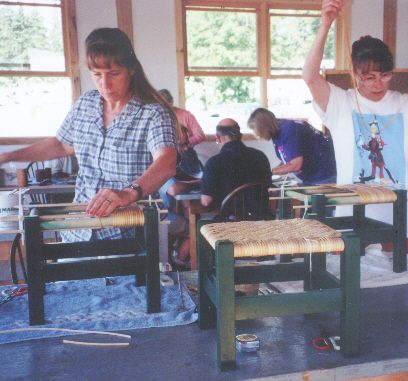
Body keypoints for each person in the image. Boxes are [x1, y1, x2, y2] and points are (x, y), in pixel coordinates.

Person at [302, 0, 408, 248]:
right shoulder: (340, 103)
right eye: (369, 77)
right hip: (351, 222)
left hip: (400, 224)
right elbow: (309, 75)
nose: (378, 84)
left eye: (385, 76)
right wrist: (326, 24)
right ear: (355, 73)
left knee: (402, 281)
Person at [0, 28, 178, 242]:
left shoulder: (153, 112)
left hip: (128, 234)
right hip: (78, 229)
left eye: (113, 74)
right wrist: (8, 156)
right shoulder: (86, 104)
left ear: (131, 70)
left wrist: (129, 193)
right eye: (97, 75)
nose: (105, 84)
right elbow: (62, 144)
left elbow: (166, 161)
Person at [172, 118, 272, 268]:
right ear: (241, 135)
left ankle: (195, 267)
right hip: (260, 221)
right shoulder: (261, 157)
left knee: (199, 224)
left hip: (228, 225)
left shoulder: (215, 162)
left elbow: (206, 202)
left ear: (218, 138)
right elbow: (266, 186)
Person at [247, 108, 336, 185]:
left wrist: (270, 173)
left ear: (263, 126)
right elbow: (289, 160)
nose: (256, 134)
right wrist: (271, 171)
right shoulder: (277, 132)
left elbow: (296, 165)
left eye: (255, 130)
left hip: (324, 175)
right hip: (314, 176)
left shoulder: (289, 130)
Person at [157, 89, 205, 222]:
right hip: (168, 156)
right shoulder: (155, 118)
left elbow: (200, 135)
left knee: (191, 196)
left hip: (187, 156)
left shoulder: (185, 115)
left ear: (171, 103)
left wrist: (185, 144)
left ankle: (191, 218)